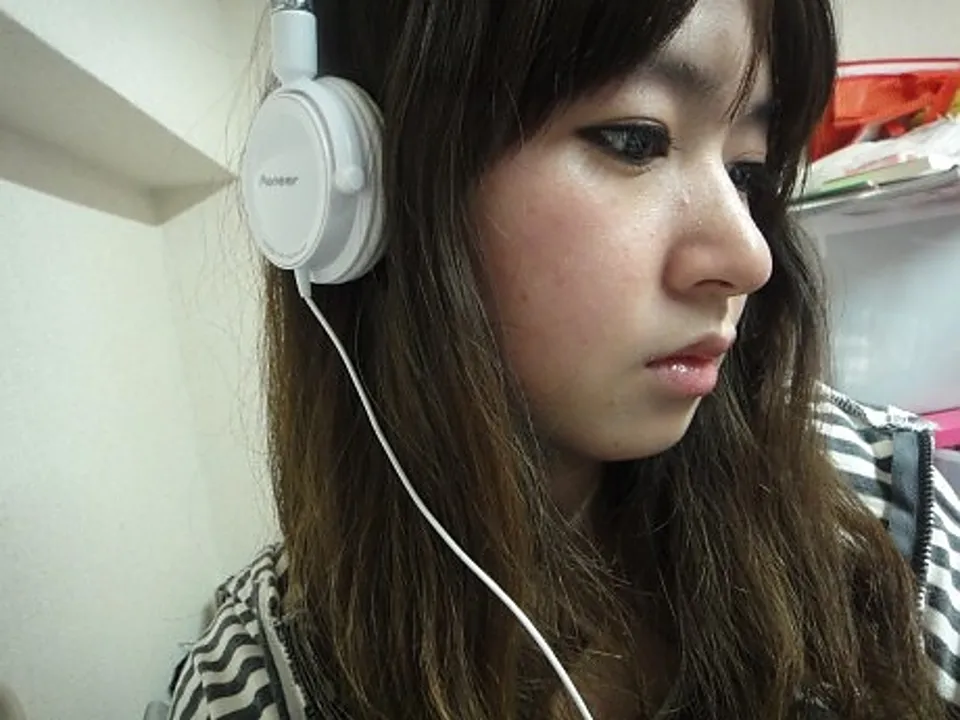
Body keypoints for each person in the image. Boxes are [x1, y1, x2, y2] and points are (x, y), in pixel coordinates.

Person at [168, 0, 960, 717]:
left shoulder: (880, 506)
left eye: (745, 170)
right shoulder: (253, 685)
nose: (750, 258)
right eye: (636, 140)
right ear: (364, 186)